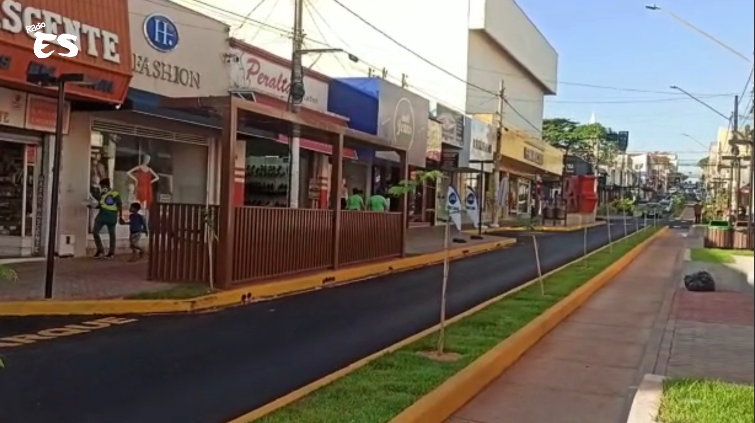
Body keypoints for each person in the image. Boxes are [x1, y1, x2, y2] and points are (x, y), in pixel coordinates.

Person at [89, 178, 124, 258]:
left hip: (111, 216)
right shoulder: (102, 195)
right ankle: (100, 250)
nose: (101, 187)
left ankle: (111, 252)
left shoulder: (115, 193)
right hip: (101, 215)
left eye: (102, 186)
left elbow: (119, 204)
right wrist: (92, 206)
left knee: (112, 235)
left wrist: (120, 216)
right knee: (95, 232)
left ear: (106, 186)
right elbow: (102, 205)